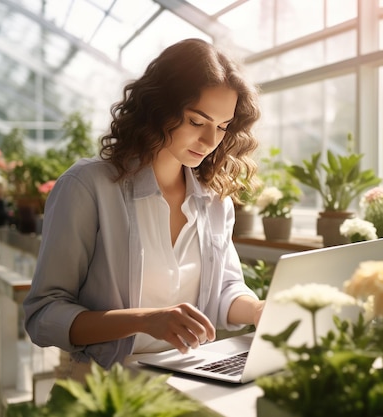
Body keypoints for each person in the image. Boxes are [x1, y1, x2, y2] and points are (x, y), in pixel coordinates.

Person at [22, 38, 265, 379]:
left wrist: (258, 310)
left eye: (223, 127)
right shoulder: (88, 186)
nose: (212, 142)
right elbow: (43, 315)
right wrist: (147, 320)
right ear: (159, 110)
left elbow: (224, 290)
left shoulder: (214, 200)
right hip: (107, 387)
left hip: (189, 380)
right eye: (197, 122)